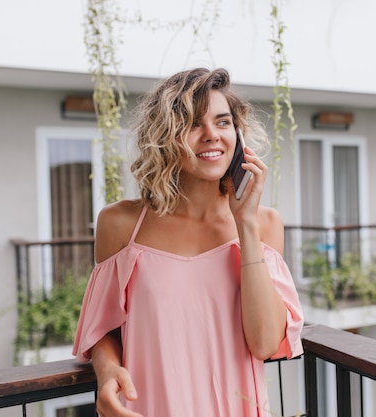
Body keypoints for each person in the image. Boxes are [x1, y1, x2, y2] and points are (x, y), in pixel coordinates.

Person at [72, 67, 304, 417]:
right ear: (165, 136)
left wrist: (246, 223)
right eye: (193, 124)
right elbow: (102, 328)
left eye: (223, 122)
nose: (211, 135)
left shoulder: (264, 224)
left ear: (237, 135)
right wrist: (107, 373)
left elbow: (266, 342)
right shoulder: (120, 225)